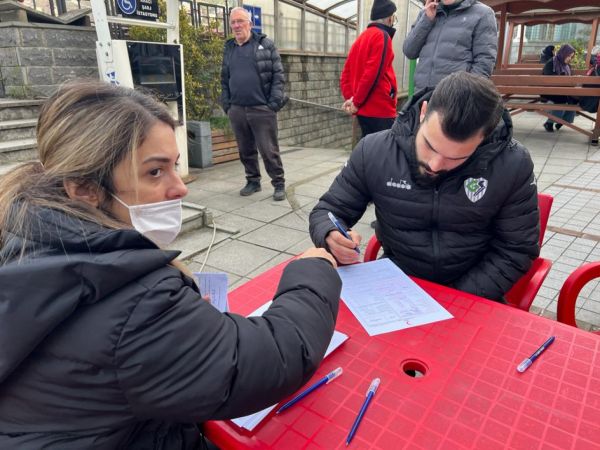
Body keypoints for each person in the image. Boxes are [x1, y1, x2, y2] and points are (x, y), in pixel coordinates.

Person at [0, 81, 341, 449]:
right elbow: (271, 360)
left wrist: (179, 331)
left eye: (174, 166)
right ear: (84, 189)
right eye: (155, 172)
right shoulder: (135, 301)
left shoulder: (27, 236)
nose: (181, 188)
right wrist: (313, 269)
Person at [309, 72, 540, 302]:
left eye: (455, 158)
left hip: (473, 292)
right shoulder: (375, 151)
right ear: (423, 112)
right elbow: (328, 211)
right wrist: (329, 234)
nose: (434, 165)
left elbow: (517, 249)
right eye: (429, 145)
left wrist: (456, 298)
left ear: (483, 139)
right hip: (396, 284)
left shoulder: (512, 164)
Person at [220, 7, 287, 201]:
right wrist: (227, 105)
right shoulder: (229, 48)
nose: (236, 25)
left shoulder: (265, 44)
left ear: (250, 23)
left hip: (262, 109)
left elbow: (278, 75)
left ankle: (279, 183)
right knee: (245, 149)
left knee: (269, 149)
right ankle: (253, 181)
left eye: (240, 21)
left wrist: (272, 104)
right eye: (233, 22)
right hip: (237, 109)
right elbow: (224, 78)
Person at [403, 0, 498, 92]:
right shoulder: (427, 11)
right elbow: (409, 51)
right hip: (422, 94)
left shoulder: (482, 13)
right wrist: (427, 19)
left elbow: (484, 61)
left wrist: (466, 93)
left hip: (454, 97)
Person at [340, 0, 398, 137]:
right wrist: (356, 102)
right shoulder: (382, 36)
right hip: (380, 109)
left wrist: (352, 99)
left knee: (368, 146)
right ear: (390, 18)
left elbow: (345, 74)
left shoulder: (361, 38)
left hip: (363, 111)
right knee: (385, 147)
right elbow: (373, 73)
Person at [542, 44, 578, 132]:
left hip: (563, 90)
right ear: (563, 53)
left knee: (574, 100)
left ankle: (563, 121)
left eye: (571, 57)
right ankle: (549, 123)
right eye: (568, 56)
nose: (570, 58)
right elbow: (548, 79)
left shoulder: (567, 66)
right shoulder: (551, 63)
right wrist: (562, 78)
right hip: (549, 90)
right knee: (562, 99)